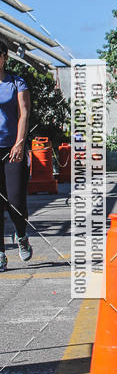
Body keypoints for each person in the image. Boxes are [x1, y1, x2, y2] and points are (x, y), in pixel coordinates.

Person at [0, 41, 32, 270]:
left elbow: (24, 113)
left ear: (4, 57)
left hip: (12, 149)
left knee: (16, 202)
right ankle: (0, 253)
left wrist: (20, 143)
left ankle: (21, 234)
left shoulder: (16, 82)